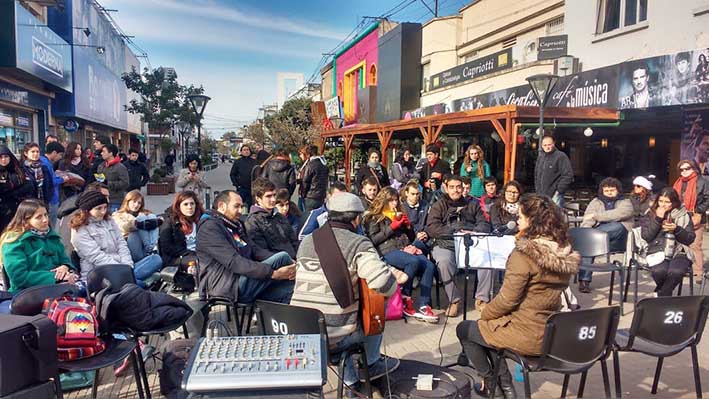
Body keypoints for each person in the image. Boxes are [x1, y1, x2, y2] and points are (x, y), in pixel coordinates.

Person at [457, 194, 579, 398]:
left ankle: (494, 386)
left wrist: (485, 311)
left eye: (521, 216)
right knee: (489, 330)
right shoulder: (563, 251)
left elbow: (507, 300)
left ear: (533, 221)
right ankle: (504, 387)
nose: (518, 219)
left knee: (466, 329)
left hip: (526, 334)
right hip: (551, 332)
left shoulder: (524, 255)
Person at [290, 192, 402, 391]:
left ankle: (350, 383)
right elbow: (383, 283)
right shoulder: (358, 243)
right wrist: (397, 281)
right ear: (357, 218)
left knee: (341, 309)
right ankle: (372, 361)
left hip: (301, 330)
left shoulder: (308, 240)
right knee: (375, 303)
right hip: (334, 335)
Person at [197, 190, 296, 304]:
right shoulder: (209, 228)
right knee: (282, 258)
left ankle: (270, 317)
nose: (240, 211)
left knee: (287, 280)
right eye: (236, 206)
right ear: (221, 206)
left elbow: (254, 250)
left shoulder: (235, 225)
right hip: (227, 286)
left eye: (241, 206)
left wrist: (283, 266)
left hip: (243, 277)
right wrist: (272, 273)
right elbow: (234, 262)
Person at [364, 187, 439, 323]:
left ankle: (424, 305)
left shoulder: (399, 213)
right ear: (383, 201)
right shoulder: (373, 217)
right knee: (413, 262)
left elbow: (410, 238)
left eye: (396, 200)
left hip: (405, 248)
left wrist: (408, 227)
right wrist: (392, 227)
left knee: (428, 265)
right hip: (386, 251)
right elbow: (372, 240)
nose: (394, 204)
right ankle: (406, 298)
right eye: (391, 201)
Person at [426, 175, 491, 317]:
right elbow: (432, 228)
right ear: (446, 188)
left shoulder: (472, 204)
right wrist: (454, 232)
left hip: (470, 243)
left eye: (458, 187)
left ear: (463, 188)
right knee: (443, 262)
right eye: (452, 187)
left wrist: (473, 231)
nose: (455, 190)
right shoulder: (439, 205)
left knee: (487, 262)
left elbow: (485, 224)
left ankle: (482, 299)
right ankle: (454, 300)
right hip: (446, 244)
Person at [0, 199, 78, 314]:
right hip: (27, 295)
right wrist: (55, 277)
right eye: (39, 217)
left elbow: (66, 261)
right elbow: (19, 277)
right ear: (26, 220)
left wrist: (65, 267)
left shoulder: (53, 238)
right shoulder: (13, 242)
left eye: (46, 215)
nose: (45, 220)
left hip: (58, 290)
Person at [70, 190, 163, 287]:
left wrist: (128, 266)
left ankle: (132, 279)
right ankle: (134, 281)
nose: (103, 211)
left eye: (105, 207)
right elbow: (96, 257)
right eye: (99, 209)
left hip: (123, 265)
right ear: (87, 210)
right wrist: (121, 269)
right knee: (138, 284)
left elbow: (121, 244)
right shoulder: (80, 230)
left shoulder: (109, 220)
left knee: (156, 259)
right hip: (100, 272)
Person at [578, 177, 634, 292]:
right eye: (606, 190)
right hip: (598, 240)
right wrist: (585, 232)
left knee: (618, 226)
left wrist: (597, 216)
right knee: (589, 243)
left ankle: (592, 237)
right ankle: (584, 281)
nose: (609, 193)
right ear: (602, 191)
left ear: (618, 190)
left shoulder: (625, 202)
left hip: (618, 240)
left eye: (612, 190)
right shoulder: (595, 202)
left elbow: (620, 214)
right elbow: (588, 219)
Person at [475, 181, 524, 311]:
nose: (512, 195)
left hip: (520, 242)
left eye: (515, 192)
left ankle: (513, 299)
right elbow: (496, 227)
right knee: (486, 262)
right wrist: (515, 227)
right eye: (509, 192)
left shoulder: (524, 208)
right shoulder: (496, 207)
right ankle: (482, 298)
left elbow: (527, 227)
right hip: (500, 241)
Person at [639, 187, 696, 297]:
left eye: (667, 202)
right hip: (657, 250)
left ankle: (661, 295)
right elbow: (647, 236)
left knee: (676, 272)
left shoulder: (683, 215)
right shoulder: (649, 213)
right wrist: (658, 219)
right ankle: (665, 296)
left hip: (679, 251)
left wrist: (677, 229)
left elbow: (690, 238)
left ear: (674, 203)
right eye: (660, 201)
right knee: (659, 271)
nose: (663, 205)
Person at [245, 178, 299, 262]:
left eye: (274, 195)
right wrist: (287, 261)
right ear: (258, 198)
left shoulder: (280, 217)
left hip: (295, 261)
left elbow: (294, 241)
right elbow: (261, 252)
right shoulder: (252, 222)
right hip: (277, 266)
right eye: (268, 196)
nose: (273, 199)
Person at [673, 160, 709, 280]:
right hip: (680, 215)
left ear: (693, 168)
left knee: (695, 244)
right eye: (681, 169)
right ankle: (683, 267)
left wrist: (698, 211)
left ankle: (698, 272)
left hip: (695, 215)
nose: (684, 171)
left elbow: (707, 198)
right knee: (679, 243)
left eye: (687, 168)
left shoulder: (702, 181)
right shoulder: (678, 182)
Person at [112, 190, 162, 263]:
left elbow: (159, 220)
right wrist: (137, 223)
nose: (136, 205)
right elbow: (123, 226)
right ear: (127, 201)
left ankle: (151, 248)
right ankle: (150, 249)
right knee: (136, 229)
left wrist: (155, 221)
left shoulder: (145, 213)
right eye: (134, 202)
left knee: (151, 216)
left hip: (146, 242)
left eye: (139, 203)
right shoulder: (118, 214)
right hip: (130, 244)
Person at [159, 190, 204, 267]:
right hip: (176, 258)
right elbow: (167, 247)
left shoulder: (201, 219)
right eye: (185, 204)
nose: (189, 207)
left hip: (199, 254)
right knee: (201, 262)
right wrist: (190, 253)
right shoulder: (170, 222)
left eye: (192, 204)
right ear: (179, 206)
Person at [534, 135, 573, 207]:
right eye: (545, 145)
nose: (547, 147)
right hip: (541, 196)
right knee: (543, 216)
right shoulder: (541, 157)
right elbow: (536, 175)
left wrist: (559, 191)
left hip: (555, 196)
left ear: (553, 144)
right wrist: (537, 190)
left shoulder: (560, 156)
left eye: (549, 144)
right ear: (542, 146)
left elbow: (568, 175)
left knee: (556, 216)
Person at [0, 146, 31, 233]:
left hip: (17, 207)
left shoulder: (17, 169)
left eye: (6, 157)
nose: (3, 160)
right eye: (1, 157)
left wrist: (13, 193)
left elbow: (28, 185)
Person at [298, 145, 329, 219]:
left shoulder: (311, 165)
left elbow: (305, 181)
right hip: (321, 195)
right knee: (318, 217)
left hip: (311, 196)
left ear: (308, 154)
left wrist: (303, 194)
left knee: (308, 218)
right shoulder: (323, 164)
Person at [96, 143, 129, 213]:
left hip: (115, 200)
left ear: (110, 153)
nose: (101, 153)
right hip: (102, 199)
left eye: (104, 151)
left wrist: (109, 184)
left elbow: (125, 183)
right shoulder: (101, 166)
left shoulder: (120, 167)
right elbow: (99, 180)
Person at [40, 142, 66, 227]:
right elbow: (51, 181)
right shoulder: (45, 164)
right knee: (51, 225)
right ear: (54, 153)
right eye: (60, 155)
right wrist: (63, 179)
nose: (60, 157)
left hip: (49, 198)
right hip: (51, 199)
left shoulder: (44, 161)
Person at [400, 181, 430, 246]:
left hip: (426, 237)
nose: (415, 196)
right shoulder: (402, 208)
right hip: (411, 240)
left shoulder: (425, 205)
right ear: (406, 193)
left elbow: (429, 221)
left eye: (417, 194)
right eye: (412, 194)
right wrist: (417, 234)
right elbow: (405, 228)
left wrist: (425, 233)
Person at [230, 144, 257, 209]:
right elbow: (232, 174)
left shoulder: (254, 162)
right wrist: (237, 184)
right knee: (240, 205)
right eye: (244, 150)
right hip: (241, 188)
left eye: (247, 150)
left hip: (252, 188)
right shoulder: (238, 162)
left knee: (252, 206)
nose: (246, 151)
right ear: (241, 152)